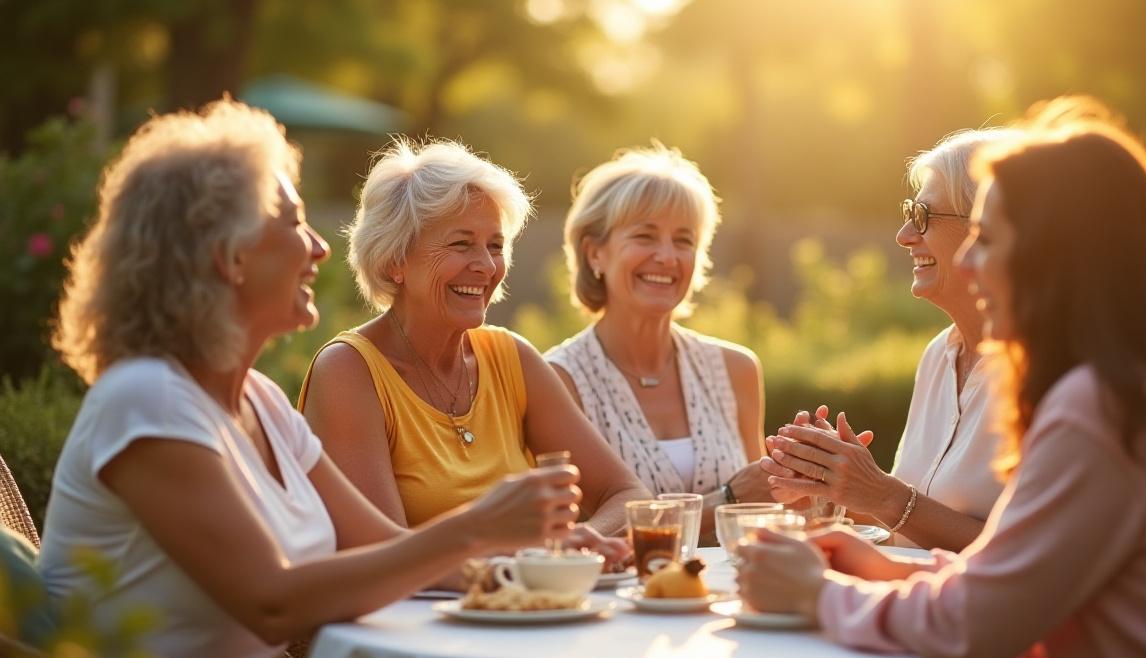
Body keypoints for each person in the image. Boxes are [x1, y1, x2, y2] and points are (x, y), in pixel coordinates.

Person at [38, 100, 583, 658]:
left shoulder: (261, 402)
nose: (322, 246)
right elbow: (274, 604)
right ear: (231, 255)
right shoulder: (147, 400)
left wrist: (545, 573)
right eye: (295, 222)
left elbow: (387, 551)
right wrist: (480, 525)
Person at [737, 97, 1146, 658]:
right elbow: (1014, 577)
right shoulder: (1138, 385)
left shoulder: (1104, 406)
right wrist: (878, 565)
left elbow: (970, 631)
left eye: (988, 239)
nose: (968, 261)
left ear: (1058, 256)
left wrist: (816, 593)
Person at [298, 138, 648, 551]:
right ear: (394, 260)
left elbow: (628, 495)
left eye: (495, 245)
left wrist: (578, 544)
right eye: (461, 244)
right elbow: (386, 556)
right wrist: (533, 554)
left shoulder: (511, 357)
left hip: (524, 608)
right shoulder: (348, 372)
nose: (485, 265)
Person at [764, 129, 1020, 552]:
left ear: (987, 228)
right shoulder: (940, 355)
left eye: (923, 216)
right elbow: (913, 527)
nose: (903, 234)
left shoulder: (1055, 370)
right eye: (908, 211)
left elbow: (1029, 561)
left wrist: (880, 492)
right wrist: (837, 483)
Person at [543, 143, 772, 539]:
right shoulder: (556, 380)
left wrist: (808, 474)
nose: (666, 256)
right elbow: (567, 539)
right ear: (595, 253)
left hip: (727, 597)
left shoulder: (737, 369)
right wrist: (727, 499)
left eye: (683, 240)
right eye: (645, 236)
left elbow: (763, 515)